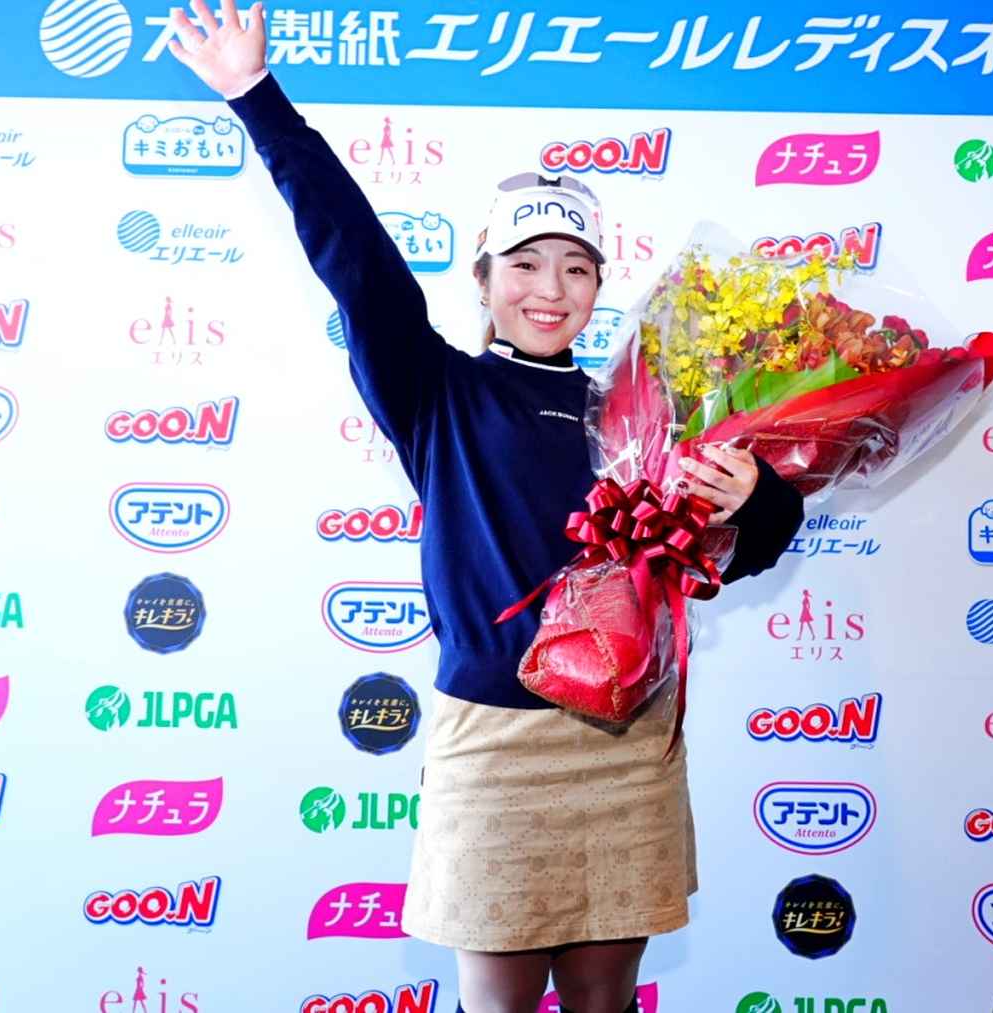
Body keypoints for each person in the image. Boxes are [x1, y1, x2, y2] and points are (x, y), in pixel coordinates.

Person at [168, 3, 804, 1011]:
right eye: (524, 264)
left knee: (602, 1004)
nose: (549, 289)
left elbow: (732, 556)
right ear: (484, 279)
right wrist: (258, 100)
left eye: (575, 268)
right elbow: (360, 266)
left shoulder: (641, 414)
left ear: (599, 287)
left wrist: (762, 498)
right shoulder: (437, 392)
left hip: (624, 743)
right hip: (493, 744)